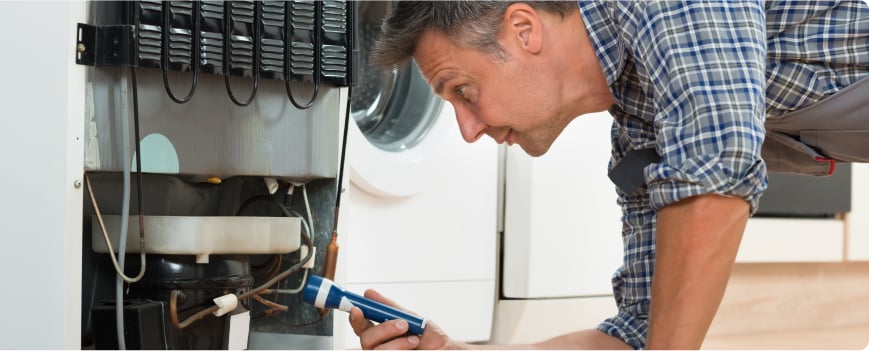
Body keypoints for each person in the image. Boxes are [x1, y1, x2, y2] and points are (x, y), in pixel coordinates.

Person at [348, 1, 869, 349]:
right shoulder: (640, 123)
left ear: (523, 29)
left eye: (462, 90)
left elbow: (715, 165)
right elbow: (639, 331)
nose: (467, 130)